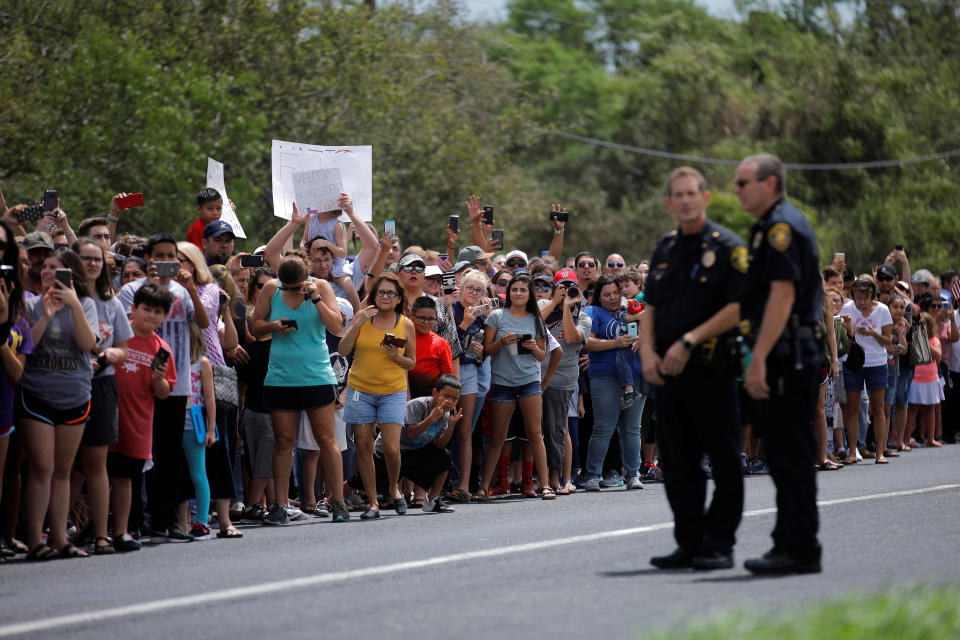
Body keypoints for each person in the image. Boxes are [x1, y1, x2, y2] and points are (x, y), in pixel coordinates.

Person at [641, 166, 746, 570]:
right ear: (669, 203)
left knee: (722, 459)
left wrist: (689, 340)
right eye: (677, 195)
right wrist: (647, 352)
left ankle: (719, 544)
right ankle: (688, 541)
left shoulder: (727, 247)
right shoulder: (665, 249)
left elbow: (738, 306)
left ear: (706, 197)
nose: (685, 200)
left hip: (712, 369)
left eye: (691, 193)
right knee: (678, 462)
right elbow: (651, 305)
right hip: (668, 373)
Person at [737, 153, 823, 575]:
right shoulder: (767, 226)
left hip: (787, 355)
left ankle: (799, 546)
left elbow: (782, 297)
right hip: (785, 353)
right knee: (785, 455)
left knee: (790, 456)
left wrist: (758, 360)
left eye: (743, 183)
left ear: (769, 184)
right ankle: (793, 542)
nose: (737, 190)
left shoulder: (781, 228)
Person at [119, 232, 206, 543]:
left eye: (173, 256)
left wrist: (191, 289)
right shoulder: (132, 290)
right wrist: (154, 286)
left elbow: (206, 323)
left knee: (169, 458)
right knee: (136, 454)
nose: (168, 262)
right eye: (161, 256)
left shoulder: (183, 292)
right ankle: (130, 523)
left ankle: (164, 522)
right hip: (138, 383)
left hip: (176, 382)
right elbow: (134, 323)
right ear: (149, 259)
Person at [251, 253, 350, 524]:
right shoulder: (272, 288)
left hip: (317, 375)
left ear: (305, 278)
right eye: (287, 286)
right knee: (283, 441)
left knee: (326, 440)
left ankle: (338, 502)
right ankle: (280, 505)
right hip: (281, 377)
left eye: (295, 286)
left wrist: (316, 297)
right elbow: (255, 326)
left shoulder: (322, 287)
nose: (291, 290)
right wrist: (274, 326)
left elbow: (337, 328)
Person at [18, 248, 99, 560]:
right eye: (46, 267)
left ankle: (60, 539)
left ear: (71, 274)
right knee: (41, 467)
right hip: (37, 395)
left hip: (75, 395)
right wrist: (47, 314)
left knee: (62, 471)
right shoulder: (28, 303)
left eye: (57, 268)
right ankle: (36, 538)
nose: (49, 272)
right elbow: (27, 345)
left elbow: (86, 344)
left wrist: (75, 305)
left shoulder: (86, 304)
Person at [69, 238, 133, 555]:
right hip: (67, 384)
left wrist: (110, 354)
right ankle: (52, 532)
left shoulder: (112, 302)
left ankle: (101, 535)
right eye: (86, 258)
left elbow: (125, 347)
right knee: (65, 465)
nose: (92, 264)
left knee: (96, 464)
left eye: (97, 259)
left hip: (102, 385)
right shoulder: (65, 296)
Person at [339, 273, 416, 519]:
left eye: (390, 293)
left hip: (392, 391)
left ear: (398, 298)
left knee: (392, 448)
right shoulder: (364, 318)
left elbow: (411, 363)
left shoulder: (406, 323)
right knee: (363, 446)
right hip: (360, 390)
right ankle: (372, 502)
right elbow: (342, 350)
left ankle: (394, 489)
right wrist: (357, 323)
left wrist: (396, 356)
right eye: (380, 292)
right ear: (373, 296)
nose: (384, 297)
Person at [475, 273, 556, 500]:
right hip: (502, 383)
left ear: (529, 294)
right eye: (514, 289)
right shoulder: (497, 316)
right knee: (497, 438)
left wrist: (532, 347)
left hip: (530, 382)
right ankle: (483, 487)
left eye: (523, 290)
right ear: (508, 293)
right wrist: (502, 342)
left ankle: (546, 485)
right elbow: (486, 350)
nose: (518, 293)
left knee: (535, 434)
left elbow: (542, 356)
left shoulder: (536, 318)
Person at [109, 283, 177, 552]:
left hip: (137, 423)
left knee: (125, 479)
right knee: (88, 474)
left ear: (164, 316)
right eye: (146, 309)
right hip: (104, 414)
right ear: (133, 308)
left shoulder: (162, 349)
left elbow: (163, 393)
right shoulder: (117, 332)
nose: (151, 315)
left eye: (158, 311)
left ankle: (121, 532)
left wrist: (158, 379)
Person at [582, 276, 645, 491]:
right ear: (598, 296)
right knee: (604, 427)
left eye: (615, 293)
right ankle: (593, 475)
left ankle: (633, 475)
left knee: (632, 429)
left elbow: (655, 318)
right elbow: (587, 341)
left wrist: (643, 335)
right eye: (606, 295)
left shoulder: (631, 309)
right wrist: (615, 343)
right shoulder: (593, 313)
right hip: (604, 376)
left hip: (635, 375)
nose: (612, 298)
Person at [538, 269, 592, 494]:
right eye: (562, 286)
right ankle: (542, 477)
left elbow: (571, 338)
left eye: (571, 286)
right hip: (536, 375)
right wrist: (555, 301)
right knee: (539, 430)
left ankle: (558, 477)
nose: (567, 290)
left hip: (563, 378)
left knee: (558, 429)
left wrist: (568, 307)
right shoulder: (543, 304)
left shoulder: (583, 317)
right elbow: (533, 323)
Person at [839, 276, 893, 464]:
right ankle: (853, 451)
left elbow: (888, 340)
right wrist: (850, 331)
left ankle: (880, 452)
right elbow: (843, 340)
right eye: (857, 298)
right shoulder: (847, 309)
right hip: (853, 362)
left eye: (865, 298)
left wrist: (873, 333)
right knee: (853, 409)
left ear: (872, 296)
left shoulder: (883, 311)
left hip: (876, 361)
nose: (861, 302)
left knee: (878, 407)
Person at [178, 324, 217, 539]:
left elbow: (209, 397)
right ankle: (179, 521)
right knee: (177, 474)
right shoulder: (171, 360)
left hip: (194, 421)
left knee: (198, 473)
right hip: (175, 421)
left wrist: (211, 427)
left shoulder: (202, 363)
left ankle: (201, 520)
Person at [408, 296, 455, 399]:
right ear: (411, 315)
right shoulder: (403, 337)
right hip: (402, 395)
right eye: (422, 318)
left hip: (430, 398)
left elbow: (446, 377)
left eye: (431, 319)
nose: (426, 322)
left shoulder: (442, 344)